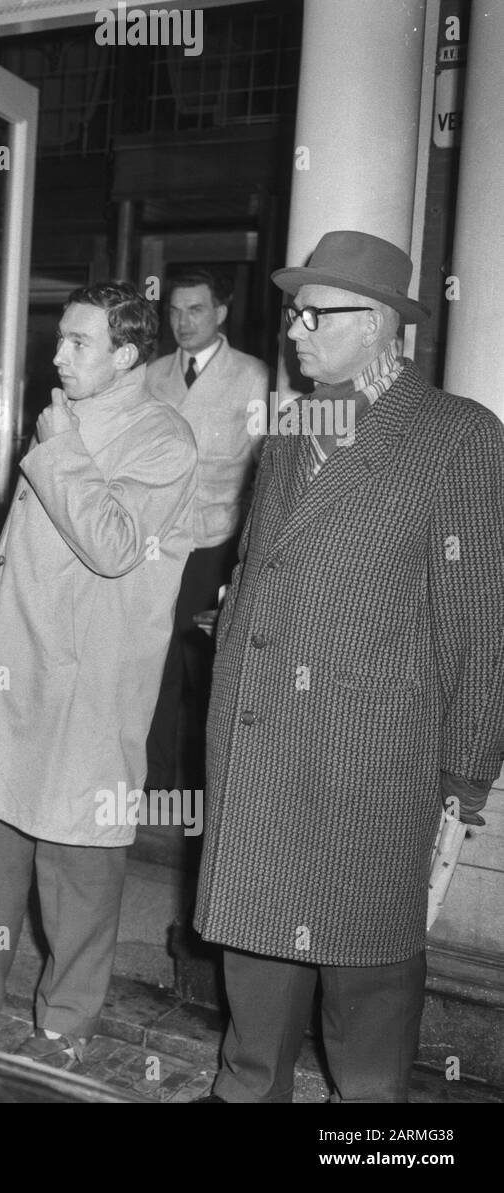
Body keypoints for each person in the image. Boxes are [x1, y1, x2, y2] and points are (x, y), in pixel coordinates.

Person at [193, 230, 504, 1103]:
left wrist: (465, 777)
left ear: (375, 325)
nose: (293, 329)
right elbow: (262, 564)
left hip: (370, 753)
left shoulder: (459, 436)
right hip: (260, 732)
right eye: (294, 312)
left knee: (366, 980)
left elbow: (479, 623)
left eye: (313, 314)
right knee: (255, 963)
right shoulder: (297, 425)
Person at [0, 282, 197, 1070]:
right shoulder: (64, 420)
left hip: (88, 681)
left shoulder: (163, 437)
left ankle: (67, 1020)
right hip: (14, 663)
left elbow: (113, 543)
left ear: (126, 355)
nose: (57, 356)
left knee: (79, 858)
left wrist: (59, 444)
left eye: (78, 343)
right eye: (60, 339)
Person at [144, 271, 269, 790]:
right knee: (154, 666)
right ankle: (153, 789)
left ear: (220, 312)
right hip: (157, 544)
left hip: (218, 544)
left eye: (195, 309)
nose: (182, 322)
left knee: (208, 671)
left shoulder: (255, 375)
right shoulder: (151, 375)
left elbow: (267, 464)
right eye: (174, 311)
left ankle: (209, 795)